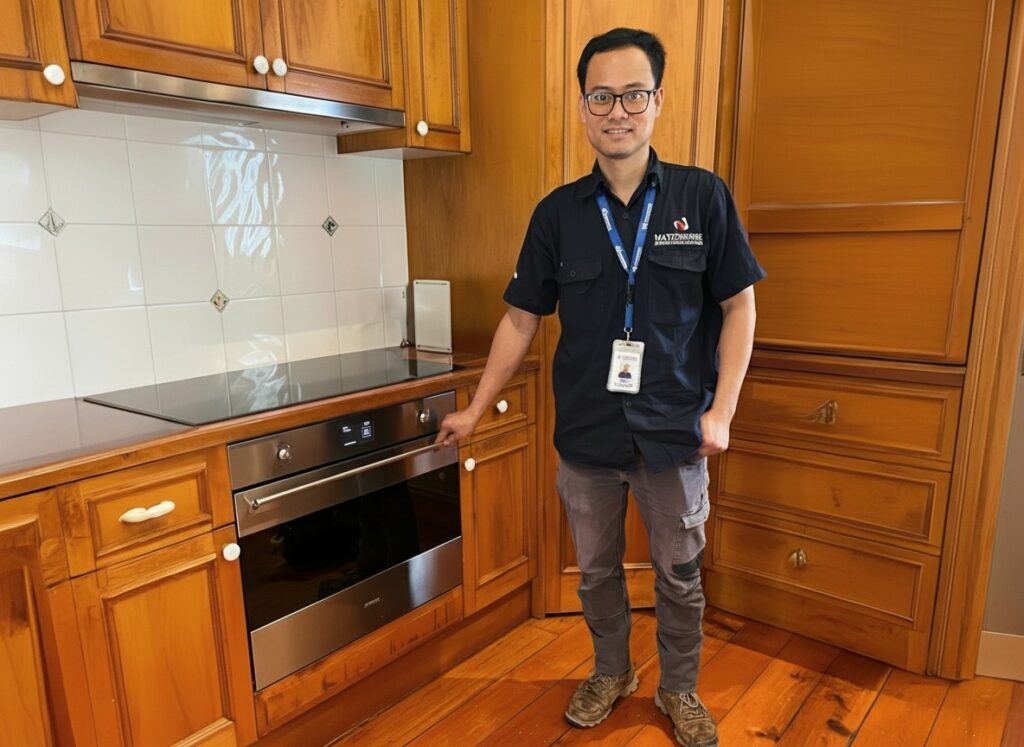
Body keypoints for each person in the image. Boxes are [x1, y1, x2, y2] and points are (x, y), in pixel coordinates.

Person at [436, 27, 764, 747]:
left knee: (679, 575)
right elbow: (520, 320)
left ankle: (679, 688)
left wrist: (723, 411)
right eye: (601, 96)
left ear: (657, 100)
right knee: (596, 573)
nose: (618, 110)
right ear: (584, 106)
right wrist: (476, 406)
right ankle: (612, 670)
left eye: (634, 94)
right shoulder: (556, 215)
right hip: (586, 431)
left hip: (676, 429)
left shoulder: (700, 197)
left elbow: (739, 306)